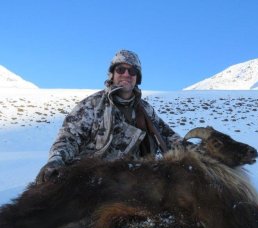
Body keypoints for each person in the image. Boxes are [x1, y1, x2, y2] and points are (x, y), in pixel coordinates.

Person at [36, 49, 182, 183]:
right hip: (92, 180)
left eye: (132, 71)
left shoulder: (146, 110)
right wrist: (56, 160)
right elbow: (68, 139)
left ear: (137, 78)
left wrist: (193, 149)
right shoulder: (92, 104)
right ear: (112, 74)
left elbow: (167, 135)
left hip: (133, 181)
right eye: (120, 69)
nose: (126, 74)